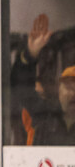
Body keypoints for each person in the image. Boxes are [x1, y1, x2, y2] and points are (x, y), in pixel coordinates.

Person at [11, 13, 75, 146]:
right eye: (68, 87)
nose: (72, 94)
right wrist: (30, 55)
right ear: (59, 91)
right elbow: (19, 87)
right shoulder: (44, 115)